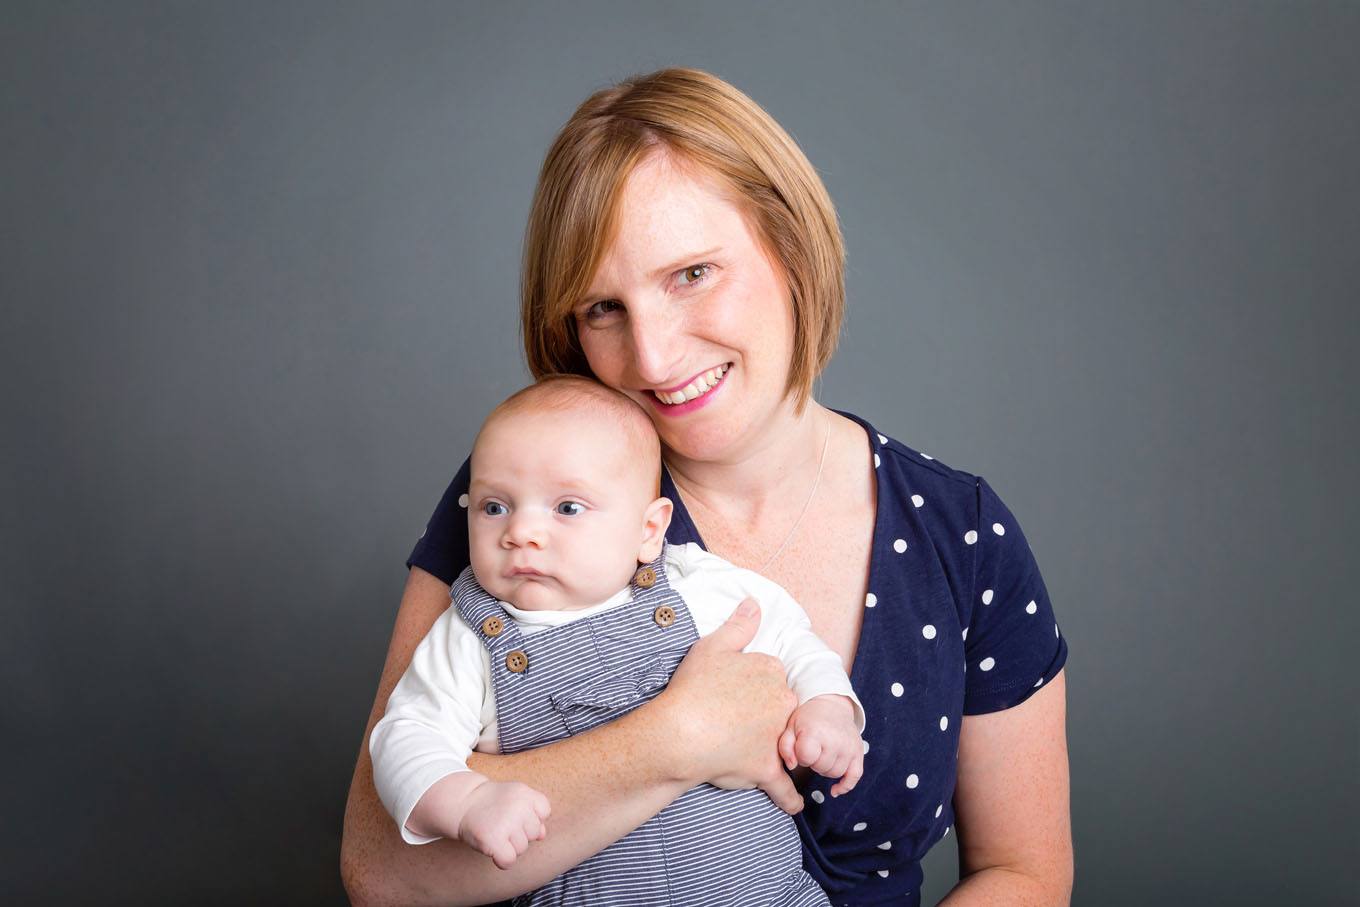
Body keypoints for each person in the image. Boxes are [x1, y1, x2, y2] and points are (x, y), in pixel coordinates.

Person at [342, 67, 1072, 906]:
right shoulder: (528, 504)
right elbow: (381, 873)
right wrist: (676, 740)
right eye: (602, 309)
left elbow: (1026, 872)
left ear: (791, 246)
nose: (652, 356)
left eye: (691, 273)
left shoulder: (961, 532)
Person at [368, 376, 864, 906]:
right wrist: (466, 802)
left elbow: (792, 636)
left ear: (649, 531)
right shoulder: (468, 637)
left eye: (567, 508)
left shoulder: (695, 586)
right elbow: (404, 739)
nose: (520, 532)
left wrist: (828, 705)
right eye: (495, 507)